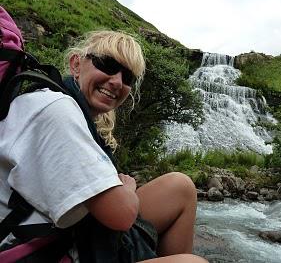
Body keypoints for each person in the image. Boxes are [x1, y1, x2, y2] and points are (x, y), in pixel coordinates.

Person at [0, 30, 207, 262]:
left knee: (181, 186)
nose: (117, 81)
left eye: (128, 77)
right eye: (107, 64)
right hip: (37, 250)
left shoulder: (62, 104)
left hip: (69, 234)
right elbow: (122, 215)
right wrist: (127, 189)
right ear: (76, 64)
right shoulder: (57, 109)